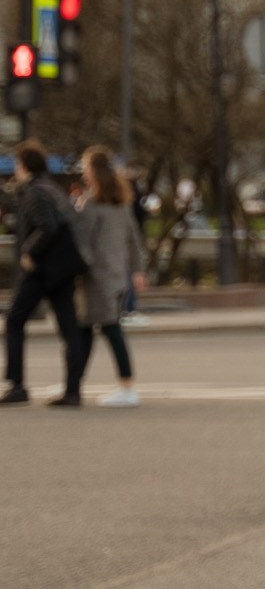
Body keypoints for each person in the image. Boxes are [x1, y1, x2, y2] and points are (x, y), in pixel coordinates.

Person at [2, 140, 86, 408]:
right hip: (62, 268)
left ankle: (17, 386)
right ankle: (73, 390)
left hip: (41, 269)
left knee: (15, 320)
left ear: (24, 165)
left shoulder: (34, 192)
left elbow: (47, 227)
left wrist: (29, 252)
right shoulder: (53, 189)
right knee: (68, 327)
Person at [73, 146, 146, 404]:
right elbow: (133, 238)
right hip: (116, 273)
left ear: (93, 170)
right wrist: (137, 269)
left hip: (96, 276)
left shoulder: (91, 202)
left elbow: (82, 241)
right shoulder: (120, 200)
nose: (82, 171)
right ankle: (74, 385)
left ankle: (126, 386)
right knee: (86, 329)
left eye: (84, 166)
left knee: (109, 328)